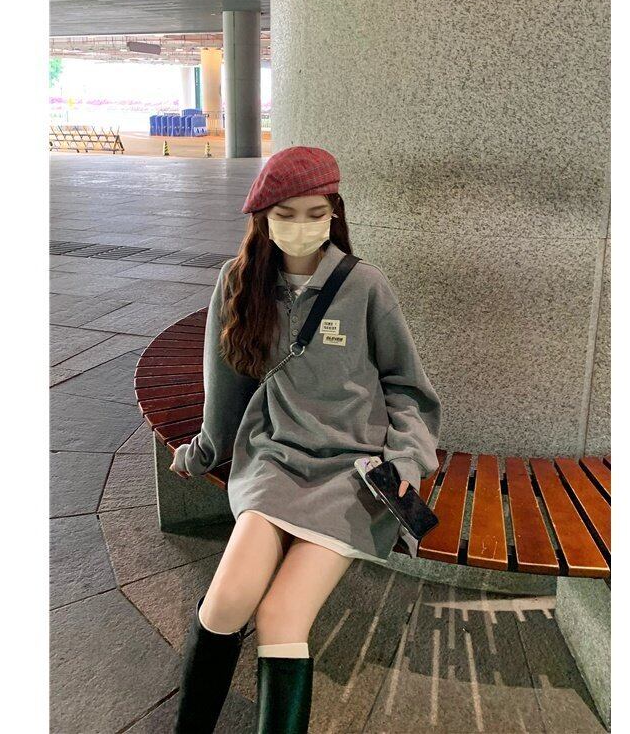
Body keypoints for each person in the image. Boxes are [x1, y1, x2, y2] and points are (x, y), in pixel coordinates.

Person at [168, 145, 442, 733]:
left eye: (316, 213)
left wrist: (403, 465)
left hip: (352, 472)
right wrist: (203, 453)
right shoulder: (239, 283)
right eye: (285, 214)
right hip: (274, 461)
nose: (301, 226)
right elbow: (226, 390)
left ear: (334, 213)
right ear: (262, 218)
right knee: (224, 603)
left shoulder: (364, 285)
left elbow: (409, 390)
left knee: (282, 618)